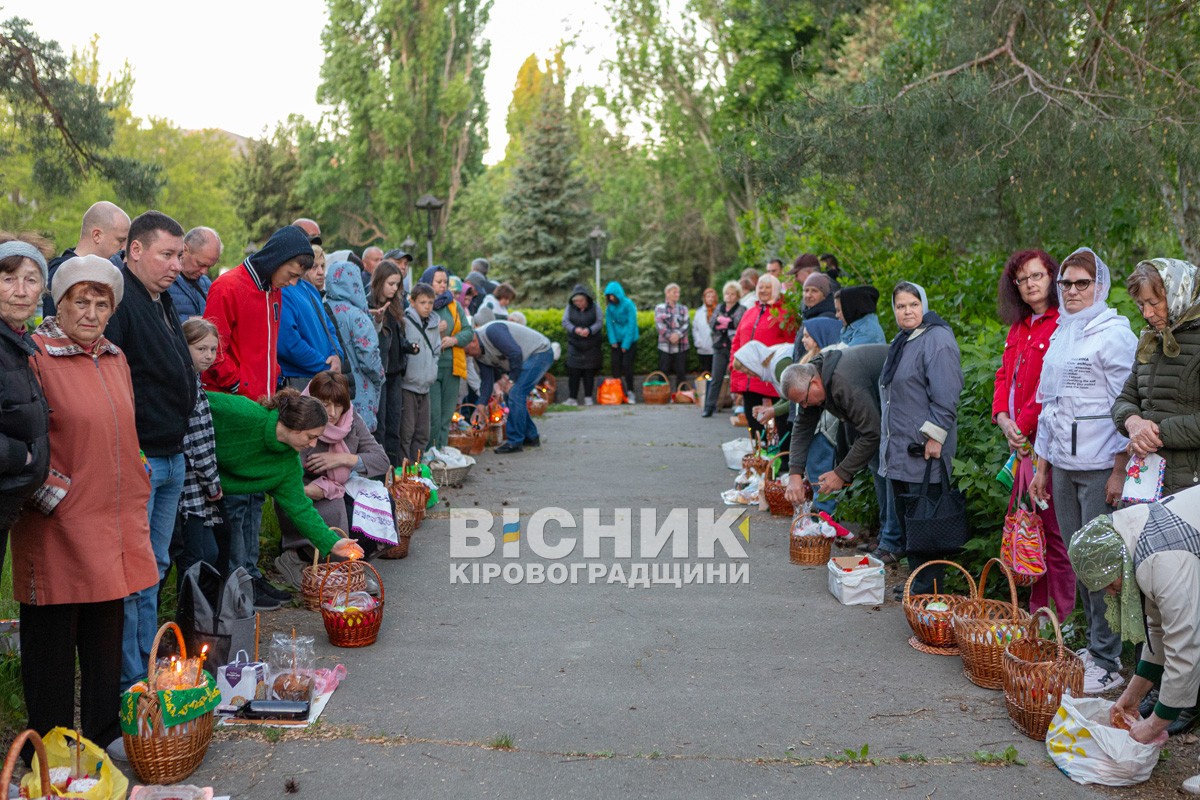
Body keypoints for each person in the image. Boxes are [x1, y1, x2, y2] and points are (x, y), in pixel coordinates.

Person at [14, 255, 158, 758]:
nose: (92, 313)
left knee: (104, 637)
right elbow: (22, 434)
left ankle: (101, 735)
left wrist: (138, 471)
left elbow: (123, 429)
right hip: (59, 523)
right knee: (52, 644)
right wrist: (52, 491)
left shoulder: (114, 356)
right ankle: (50, 751)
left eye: (102, 303)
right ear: (61, 301)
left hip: (113, 520)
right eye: (81, 301)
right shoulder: (34, 354)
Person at [1027, 247, 1137, 695]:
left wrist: (1118, 470)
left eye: (1082, 283)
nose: (1072, 291)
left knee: (1101, 563)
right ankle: (1094, 647)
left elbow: (1128, 407)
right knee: (1078, 560)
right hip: (1063, 467)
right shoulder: (1062, 334)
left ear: (1100, 286)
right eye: (1066, 284)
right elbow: (1052, 407)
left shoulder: (1114, 335)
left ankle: (1109, 661)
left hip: (1098, 468)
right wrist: (1041, 466)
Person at [101, 211, 197, 688]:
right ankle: (132, 679)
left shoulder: (161, 299)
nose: (177, 264)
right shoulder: (120, 300)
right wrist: (133, 452)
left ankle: (146, 664)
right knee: (136, 573)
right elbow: (112, 384)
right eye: (167, 254)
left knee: (154, 566)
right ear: (134, 250)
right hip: (142, 457)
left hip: (170, 453)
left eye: (180, 255)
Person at [1112, 257, 1200, 732]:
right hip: (1149, 484)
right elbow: (1124, 398)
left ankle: (1184, 701)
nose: (1147, 312)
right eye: (1142, 303)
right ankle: (1165, 692)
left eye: (1155, 301)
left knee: (1187, 599)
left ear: (1180, 293)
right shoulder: (1149, 344)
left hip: (1192, 487)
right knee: (1158, 599)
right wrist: (1133, 423)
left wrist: (1160, 431)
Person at [1066, 487, 1200, 749]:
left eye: (1108, 582)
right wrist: (1133, 695)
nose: (1110, 591)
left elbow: (1185, 646)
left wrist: (1152, 726)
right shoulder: (1130, 537)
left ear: (1115, 564)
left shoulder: (1160, 560)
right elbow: (1160, 628)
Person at [206, 387, 364, 608]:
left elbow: (301, 508)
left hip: (214, 493)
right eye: (311, 437)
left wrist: (333, 542)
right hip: (188, 470)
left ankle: (228, 602)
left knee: (215, 548)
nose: (311, 445)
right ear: (296, 424)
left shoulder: (288, 464)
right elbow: (197, 400)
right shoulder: (245, 412)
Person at [992, 249, 1073, 621]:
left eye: (1037, 276)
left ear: (1052, 278)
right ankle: (1037, 614)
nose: (1030, 284)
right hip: (1022, 446)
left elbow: (1050, 386)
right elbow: (1003, 376)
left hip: (1048, 446)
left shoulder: (1063, 324)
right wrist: (1002, 417)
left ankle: (1063, 618)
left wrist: (1020, 427)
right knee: (1033, 530)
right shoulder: (1019, 325)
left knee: (1055, 535)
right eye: (1022, 279)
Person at [878, 282, 964, 595]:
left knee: (928, 524)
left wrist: (935, 438)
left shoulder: (936, 339)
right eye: (900, 306)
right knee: (913, 523)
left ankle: (930, 591)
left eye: (913, 304)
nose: (907, 311)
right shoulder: (902, 341)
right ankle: (919, 583)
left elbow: (946, 394)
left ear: (924, 305)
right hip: (900, 450)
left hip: (924, 451)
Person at [274, 371, 391, 587]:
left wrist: (343, 459)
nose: (333, 413)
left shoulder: (351, 420)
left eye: (338, 405)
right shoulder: (300, 419)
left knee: (379, 504)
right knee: (344, 512)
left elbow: (381, 460)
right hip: (305, 495)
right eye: (325, 404)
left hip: (336, 488)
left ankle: (354, 566)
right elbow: (281, 476)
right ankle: (299, 558)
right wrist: (312, 489)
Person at [203, 224, 313, 402]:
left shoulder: (274, 290)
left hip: (260, 399)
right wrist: (239, 385)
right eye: (291, 274)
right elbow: (212, 349)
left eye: (298, 277)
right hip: (233, 401)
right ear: (277, 259)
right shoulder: (227, 287)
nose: (293, 283)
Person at [782, 346, 890, 523]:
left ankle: (891, 541)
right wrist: (794, 474)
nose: (805, 407)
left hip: (904, 409)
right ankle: (887, 538)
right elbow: (802, 427)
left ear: (815, 383)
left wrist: (841, 473)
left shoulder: (844, 381)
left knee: (884, 472)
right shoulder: (812, 378)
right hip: (879, 414)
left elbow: (872, 433)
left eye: (803, 401)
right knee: (877, 467)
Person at [0, 234, 51, 573]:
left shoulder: (17, 342)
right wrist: (24, 456)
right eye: (8, 279)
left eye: (31, 280)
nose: (21, 290)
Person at [174, 318, 224, 580]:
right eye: (201, 349)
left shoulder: (196, 381)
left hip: (198, 488)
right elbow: (197, 443)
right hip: (191, 487)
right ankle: (189, 615)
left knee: (208, 552)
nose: (208, 356)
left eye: (213, 350)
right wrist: (213, 484)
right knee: (195, 558)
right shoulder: (188, 386)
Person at [467, 320, 555, 453]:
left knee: (515, 393)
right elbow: (486, 381)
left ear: (474, 340)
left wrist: (511, 380)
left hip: (540, 352)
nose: (470, 355)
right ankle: (530, 436)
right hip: (527, 358)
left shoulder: (492, 331)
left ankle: (515, 442)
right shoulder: (478, 354)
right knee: (513, 394)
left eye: (468, 351)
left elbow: (515, 353)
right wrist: (480, 406)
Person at [730, 274, 795, 440]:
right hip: (750, 376)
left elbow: (791, 344)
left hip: (774, 374)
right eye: (760, 287)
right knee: (753, 418)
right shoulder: (750, 312)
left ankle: (783, 455)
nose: (763, 290)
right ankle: (760, 451)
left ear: (776, 289)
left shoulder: (785, 313)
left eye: (768, 287)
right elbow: (737, 340)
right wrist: (734, 365)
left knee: (781, 417)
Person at [43, 200, 129, 317]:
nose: (124, 247)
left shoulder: (106, 271)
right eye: (120, 240)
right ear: (97, 235)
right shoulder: (63, 272)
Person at [278, 244, 346, 390]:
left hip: (324, 377)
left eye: (322, 266)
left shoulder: (310, 289)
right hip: (299, 379)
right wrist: (324, 365)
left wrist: (337, 356)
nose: (321, 272)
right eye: (314, 267)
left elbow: (330, 329)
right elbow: (288, 343)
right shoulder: (283, 290)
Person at [327, 260, 385, 430]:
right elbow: (369, 357)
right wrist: (379, 377)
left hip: (333, 389)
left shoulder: (322, 308)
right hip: (360, 389)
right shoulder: (357, 316)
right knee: (358, 439)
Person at [422, 266, 473, 451]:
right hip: (430, 368)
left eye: (445, 281)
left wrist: (454, 339)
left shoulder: (454, 305)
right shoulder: (421, 304)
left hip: (452, 366)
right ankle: (429, 454)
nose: (443, 286)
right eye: (438, 282)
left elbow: (469, 331)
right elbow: (413, 331)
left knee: (446, 416)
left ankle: (441, 453)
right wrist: (436, 329)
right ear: (428, 282)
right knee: (433, 416)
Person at [370, 260, 412, 462]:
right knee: (380, 426)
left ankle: (394, 472)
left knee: (394, 424)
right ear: (380, 281)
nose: (395, 289)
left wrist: (407, 347)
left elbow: (395, 339)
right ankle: (380, 475)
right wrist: (377, 319)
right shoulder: (369, 305)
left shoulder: (395, 306)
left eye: (397, 285)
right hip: (379, 374)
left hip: (395, 372)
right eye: (391, 284)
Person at [399, 283, 442, 462]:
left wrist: (432, 368)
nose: (427, 306)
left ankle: (416, 468)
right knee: (406, 432)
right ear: (412, 302)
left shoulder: (433, 324)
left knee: (423, 432)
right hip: (408, 385)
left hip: (425, 386)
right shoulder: (405, 322)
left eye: (430, 303)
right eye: (423, 302)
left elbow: (437, 350)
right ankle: (403, 471)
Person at [702, 282, 744, 418]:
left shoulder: (741, 308)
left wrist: (725, 322)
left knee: (737, 377)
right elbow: (713, 323)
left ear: (737, 296)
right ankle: (709, 407)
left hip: (735, 347)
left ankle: (738, 406)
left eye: (732, 294)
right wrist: (727, 323)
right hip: (719, 346)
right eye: (727, 293)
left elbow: (738, 323)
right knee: (716, 377)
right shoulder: (719, 307)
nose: (729, 296)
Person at [167, 227, 222, 322]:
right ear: (184, 249)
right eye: (200, 264)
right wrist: (192, 322)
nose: (204, 272)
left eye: (209, 267)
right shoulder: (164, 279)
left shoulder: (206, 283)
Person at [562, 283, 603, 405]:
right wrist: (575, 329)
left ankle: (588, 398)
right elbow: (565, 322)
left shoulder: (595, 307)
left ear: (586, 299)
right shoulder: (569, 308)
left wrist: (589, 330)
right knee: (573, 371)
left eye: (581, 301)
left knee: (589, 372)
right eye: (576, 302)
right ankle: (572, 398)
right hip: (574, 344)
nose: (579, 304)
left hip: (591, 344)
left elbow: (600, 322)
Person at [604, 281, 640, 404]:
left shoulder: (629, 304)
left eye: (613, 295)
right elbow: (609, 324)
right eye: (609, 296)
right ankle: (619, 392)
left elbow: (632, 324)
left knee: (627, 366)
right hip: (616, 340)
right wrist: (613, 341)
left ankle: (630, 391)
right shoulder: (610, 307)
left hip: (629, 340)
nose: (611, 298)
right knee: (615, 366)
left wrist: (626, 344)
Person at [654, 283, 690, 391]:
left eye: (678, 292)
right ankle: (661, 394)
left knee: (681, 371)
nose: (677, 294)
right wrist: (670, 336)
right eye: (674, 292)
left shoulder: (683, 308)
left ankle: (681, 395)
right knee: (663, 370)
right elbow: (659, 325)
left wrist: (677, 335)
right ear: (667, 293)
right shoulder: (659, 308)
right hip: (665, 346)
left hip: (681, 345)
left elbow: (686, 324)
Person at [693, 287, 718, 375]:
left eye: (712, 297)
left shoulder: (719, 311)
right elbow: (695, 329)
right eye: (708, 296)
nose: (710, 299)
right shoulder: (699, 312)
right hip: (703, 348)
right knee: (705, 373)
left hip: (716, 349)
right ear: (704, 298)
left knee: (716, 372)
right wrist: (698, 342)